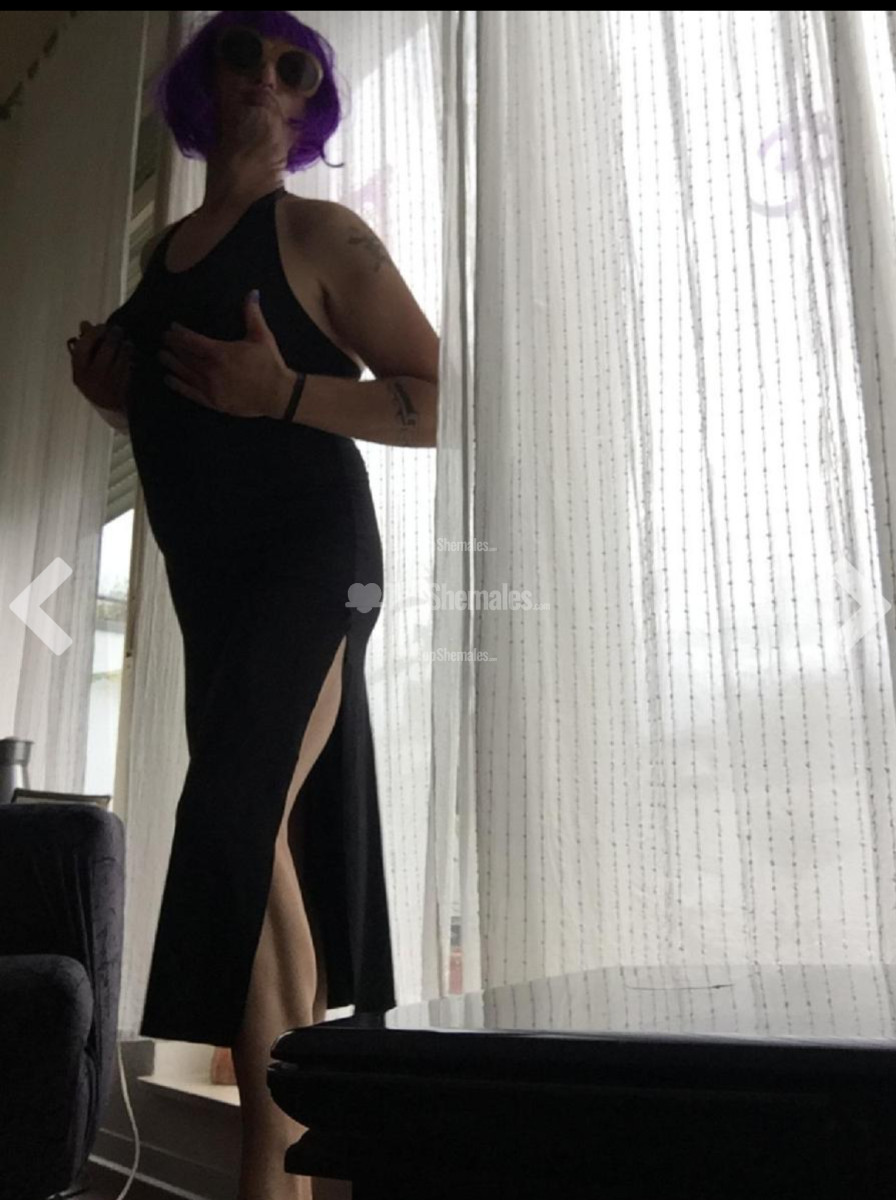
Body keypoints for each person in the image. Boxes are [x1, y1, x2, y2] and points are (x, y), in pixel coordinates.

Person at [66, 13, 439, 1200]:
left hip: (312, 558)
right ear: (202, 76)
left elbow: (440, 398)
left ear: (309, 109)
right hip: (210, 581)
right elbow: (195, 410)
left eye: (297, 69)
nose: (269, 79)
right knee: (262, 835)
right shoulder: (166, 251)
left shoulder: (322, 234)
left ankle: (269, 1178)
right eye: (246, 53)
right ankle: (308, 1174)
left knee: (235, 820)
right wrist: (113, 398)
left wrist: (284, 393)